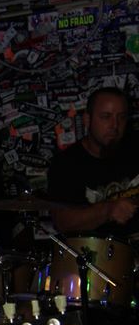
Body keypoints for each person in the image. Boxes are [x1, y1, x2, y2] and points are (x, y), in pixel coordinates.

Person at [47, 86, 139, 237]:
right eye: (106, 117)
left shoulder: (134, 147)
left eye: (121, 117)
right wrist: (108, 210)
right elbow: (63, 222)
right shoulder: (66, 164)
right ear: (87, 119)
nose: (115, 125)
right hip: (96, 248)